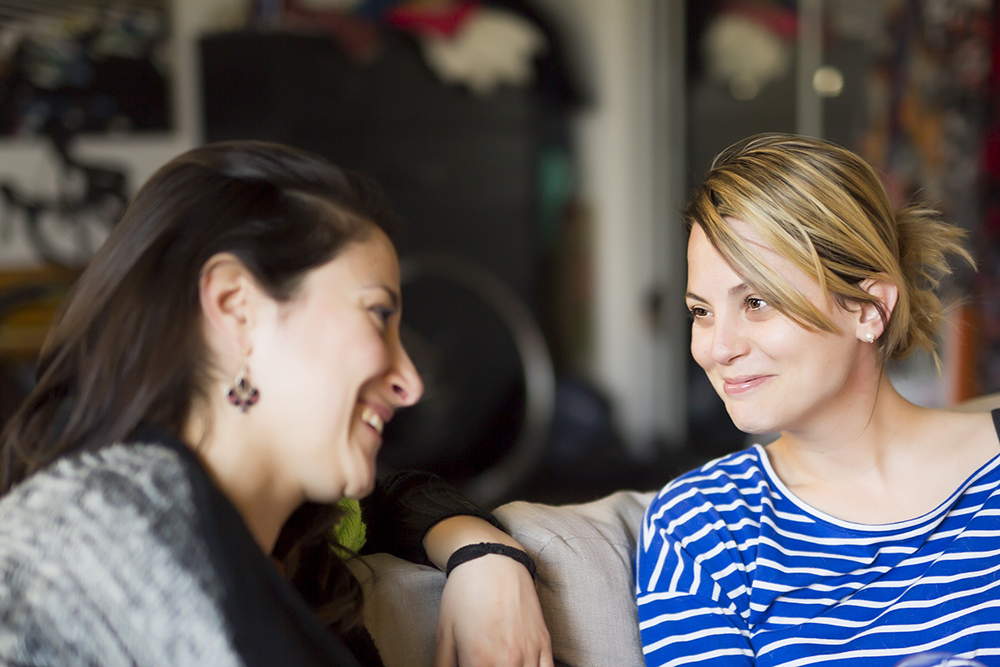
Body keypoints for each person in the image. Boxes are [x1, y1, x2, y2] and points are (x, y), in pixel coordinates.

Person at [0, 140, 552, 667]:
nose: (410, 382)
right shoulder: (96, 535)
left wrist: (484, 553)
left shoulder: (276, 527)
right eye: (378, 315)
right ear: (237, 307)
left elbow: (386, 502)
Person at [636, 133, 1000, 666]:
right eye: (701, 311)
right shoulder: (702, 528)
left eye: (756, 302)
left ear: (868, 310)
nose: (718, 348)